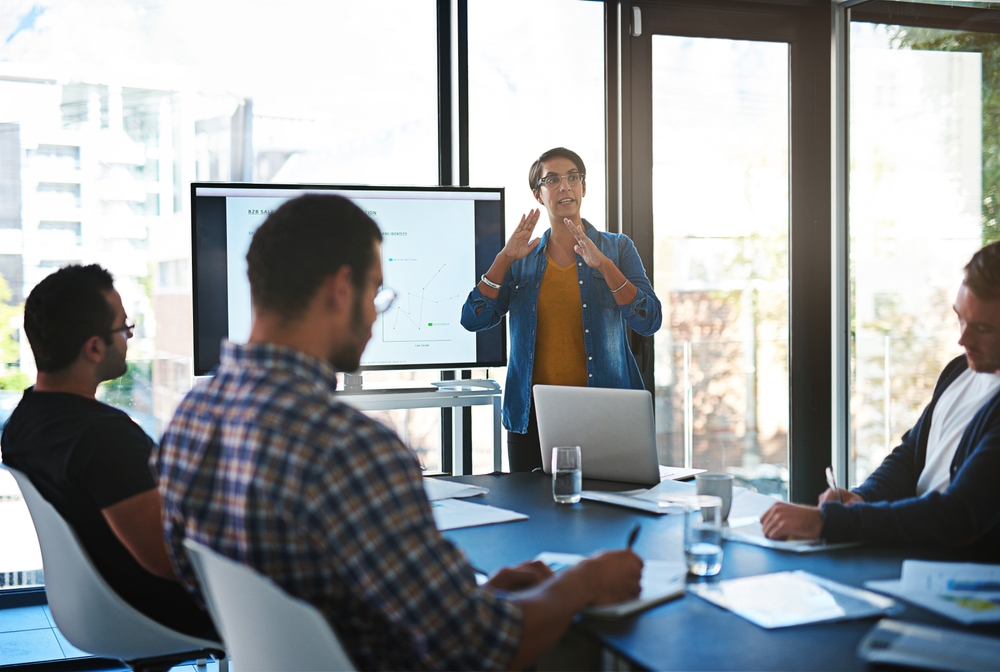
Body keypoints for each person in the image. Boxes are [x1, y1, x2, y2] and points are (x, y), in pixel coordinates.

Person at [153, 194, 643, 670]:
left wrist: (478, 596)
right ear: (341, 289)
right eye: (375, 294)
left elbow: (359, 605)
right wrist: (584, 581)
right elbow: (482, 649)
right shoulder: (350, 448)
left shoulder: (191, 420)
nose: (373, 315)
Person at [0, 265, 217, 638]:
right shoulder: (104, 439)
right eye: (123, 328)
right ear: (95, 347)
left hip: (93, 606)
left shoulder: (22, 421)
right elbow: (169, 560)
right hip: (159, 610)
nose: (130, 337)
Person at [761, 241, 1000, 555]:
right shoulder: (960, 371)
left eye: (982, 328)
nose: (963, 338)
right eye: (961, 318)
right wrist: (865, 498)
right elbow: (911, 455)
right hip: (912, 555)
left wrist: (828, 523)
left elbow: (957, 515)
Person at [461, 147, 662, 471]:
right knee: (534, 517)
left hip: (605, 415)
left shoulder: (617, 248)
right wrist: (504, 260)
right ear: (538, 194)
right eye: (552, 179)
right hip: (532, 419)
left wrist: (604, 266)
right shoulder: (521, 259)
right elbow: (473, 319)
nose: (564, 186)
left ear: (583, 186)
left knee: (608, 518)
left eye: (572, 177)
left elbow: (649, 320)